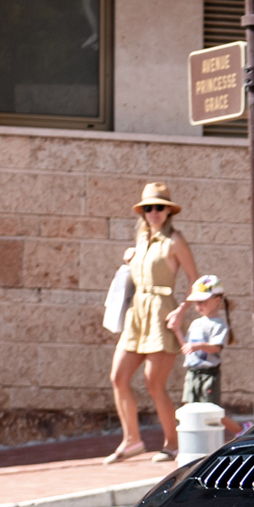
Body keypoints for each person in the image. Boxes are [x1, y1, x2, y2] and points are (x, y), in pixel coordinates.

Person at [103, 181, 195, 463]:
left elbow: (196, 281)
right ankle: (132, 440)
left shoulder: (175, 241)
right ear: (143, 212)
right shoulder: (141, 241)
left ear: (168, 211)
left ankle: (173, 442)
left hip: (160, 313)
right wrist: (129, 258)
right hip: (137, 314)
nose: (154, 212)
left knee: (154, 383)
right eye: (148, 208)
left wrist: (182, 311)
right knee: (118, 377)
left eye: (159, 207)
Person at [167, 274, 243, 438]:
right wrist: (177, 330)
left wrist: (198, 346)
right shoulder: (196, 323)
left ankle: (240, 429)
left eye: (203, 301)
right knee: (189, 406)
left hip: (209, 374)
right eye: (196, 302)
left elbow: (215, 347)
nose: (198, 305)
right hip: (192, 372)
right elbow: (187, 347)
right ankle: (193, 440)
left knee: (212, 410)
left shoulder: (218, 325)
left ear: (217, 300)